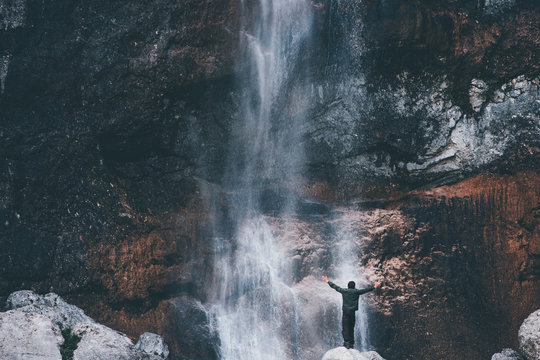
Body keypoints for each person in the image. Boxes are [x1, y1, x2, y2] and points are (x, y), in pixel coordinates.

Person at [322, 275, 381, 349]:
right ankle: (351, 344)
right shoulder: (357, 292)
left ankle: (346, 343)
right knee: (351, 328)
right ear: (354, 286)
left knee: (345, 327)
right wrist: (374, 286)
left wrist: (327, 281)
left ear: (348, 286)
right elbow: (366, 290)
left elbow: (335, 287)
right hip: (352, 312)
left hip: (345, 312)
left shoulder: (344, 291)